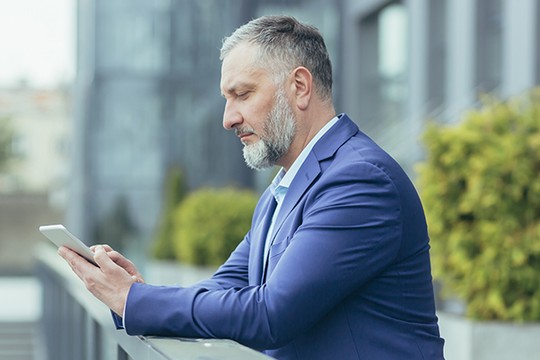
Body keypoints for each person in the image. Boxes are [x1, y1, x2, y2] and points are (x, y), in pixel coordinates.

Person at [59, 15, 445, 360]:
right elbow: (225, 288)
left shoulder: (360, 181)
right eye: (227, 99)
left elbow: (270, 313)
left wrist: (135, 301)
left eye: (242, 94)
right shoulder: (282, 190)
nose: (229, 118)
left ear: (299, 86)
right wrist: (139, 294)